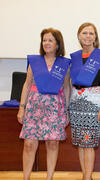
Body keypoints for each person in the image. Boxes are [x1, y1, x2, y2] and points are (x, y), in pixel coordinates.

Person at [17, 28, 71, 180]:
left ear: (58, 44)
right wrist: (22, 108)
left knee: (53, 143)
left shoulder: (64, 63)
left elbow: (66, 87)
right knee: (29, 143)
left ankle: (49, 177)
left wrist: (66, 111)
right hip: (34, 106)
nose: (46, 43)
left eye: (50, 40)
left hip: (55, 107)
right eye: (44, 40)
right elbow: (27, 85)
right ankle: (26, 177)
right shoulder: (35, 61)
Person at [68, 22, 100, 180]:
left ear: (95, 37)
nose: (88, 36)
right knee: (80, 141)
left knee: (89, 142)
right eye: (84, 33)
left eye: (91, 33)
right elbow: (69, 82)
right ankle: (86, 175)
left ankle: (87, 177)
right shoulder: (74, 57)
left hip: (94, 102)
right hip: (76, 102)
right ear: (79, 36)